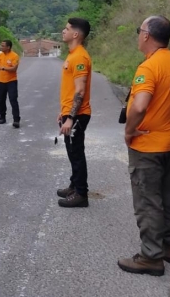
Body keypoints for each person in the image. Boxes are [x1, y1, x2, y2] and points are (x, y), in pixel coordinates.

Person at [117, 16, 170, 277]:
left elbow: (140, 105)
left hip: (148, 146)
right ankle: (169, 247)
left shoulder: (149, 67)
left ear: (147, 35)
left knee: (148, 202)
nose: (138, 35)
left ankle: (150, 258)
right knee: (168, 198)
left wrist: (129, 131)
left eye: (139, 30)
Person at [56, 18, 92, 208]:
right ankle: (74, 185)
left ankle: (81, 194)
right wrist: (63, 113)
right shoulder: (72, 54)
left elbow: (80, 90)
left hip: (77, 115)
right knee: (72, 152)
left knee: (76, 153)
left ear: (76, 34)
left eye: (67, 29)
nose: (64, 31)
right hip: (70, 113)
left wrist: (70, 118)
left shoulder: (79, 57)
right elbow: (70, 90)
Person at [0, 40, 21, 128]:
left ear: (8, 47)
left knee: (13, 100)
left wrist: (2, 68)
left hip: (11, 81)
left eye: (3, 46)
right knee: (1, 100)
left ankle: (16, 120)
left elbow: (14, 69)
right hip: (1, 81)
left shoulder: (14, 56)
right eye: (1, 45)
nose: (1, 47)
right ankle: (2, 117)